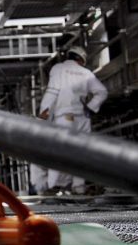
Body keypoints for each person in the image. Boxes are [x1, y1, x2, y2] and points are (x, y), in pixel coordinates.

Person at [31, 46, 108, 196]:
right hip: (83, 119)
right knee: (81, 153)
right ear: (81, 59)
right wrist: (91, 107)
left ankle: (55, 186)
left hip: (65, 118)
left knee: (61, 151)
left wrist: (43, 113)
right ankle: (78, 187)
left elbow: (53, 91)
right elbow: (102, 92)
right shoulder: (87, 73)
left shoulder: (58, 68)